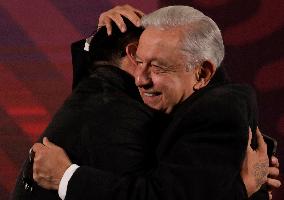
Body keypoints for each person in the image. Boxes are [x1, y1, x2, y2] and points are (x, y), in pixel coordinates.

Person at [28, 5, 281, 200]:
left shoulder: (216, 113)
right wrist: (105, 36)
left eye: (158, 67)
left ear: (202, 74)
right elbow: (106, 96)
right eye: (139, 61)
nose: (140, 79)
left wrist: (65, 177)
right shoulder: (189, 85)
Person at [12, 18, 167, 200]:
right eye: (162, 55)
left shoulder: (97, 95)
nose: (168, 64)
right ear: (134, 53)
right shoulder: (117, 111)